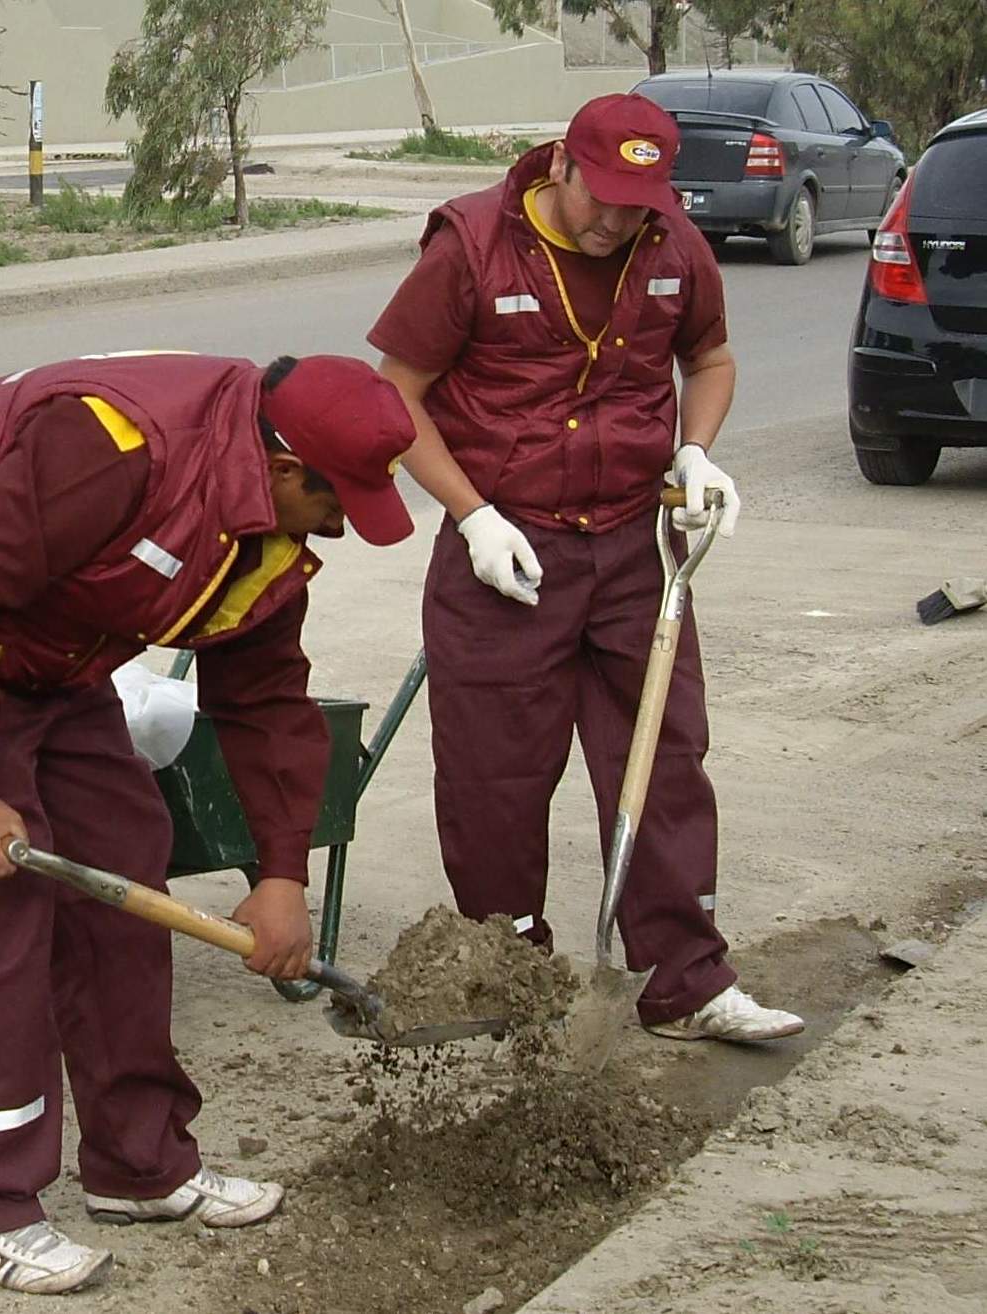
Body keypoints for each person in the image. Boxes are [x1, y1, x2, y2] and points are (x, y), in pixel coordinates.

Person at [0, 350, 417, 1295]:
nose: (340, 527)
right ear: (287, 469)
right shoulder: (117, 445)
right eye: (339, 503)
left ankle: (140, 1163)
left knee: (125, 850)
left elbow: (262, 702)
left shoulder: (262, 530)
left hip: (49, 642)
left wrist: (282, 875)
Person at [367, 93, 803, 1046]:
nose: (616, 221)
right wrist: (472, 516)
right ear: (562, 164)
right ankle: (509, 983)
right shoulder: (473, 247)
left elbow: (712, 357)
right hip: (505, 556)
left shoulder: (673, 245)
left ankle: (686, 979)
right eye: (602, 195)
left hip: (634, 551)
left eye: (638, 203)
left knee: (664, 759)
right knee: (495, 780)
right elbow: (396, 395)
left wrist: (695, 450)